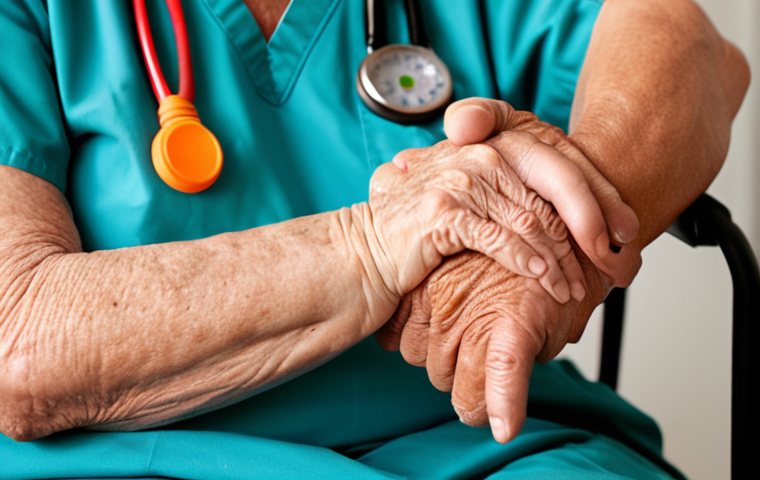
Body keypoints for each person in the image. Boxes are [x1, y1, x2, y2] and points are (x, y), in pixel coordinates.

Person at [0, 0, 749, 479]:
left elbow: (689, 46)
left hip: (490, 445)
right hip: (142, 457)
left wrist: (557, 228)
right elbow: (18, 340)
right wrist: (378, 243)